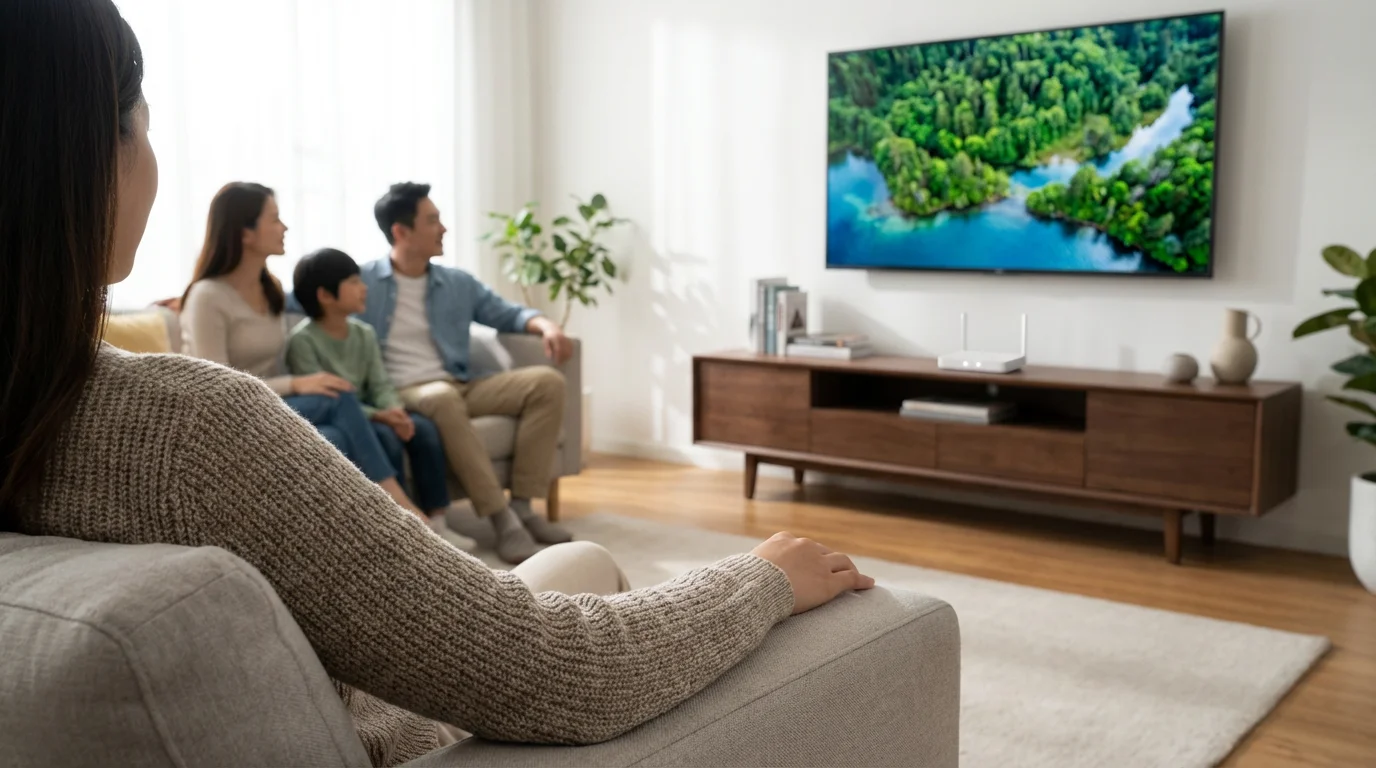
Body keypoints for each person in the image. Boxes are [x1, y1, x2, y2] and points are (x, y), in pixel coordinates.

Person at [0, 1, 875, 766]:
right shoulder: (187, 433)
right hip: (406, 727)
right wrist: (760, 578)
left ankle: (510, 513)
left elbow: (496, 311)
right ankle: (495, 522)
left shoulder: (65, 422)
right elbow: (555, 671)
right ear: (88, 153)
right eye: (146, 126)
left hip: (367, 630)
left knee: (533, 447)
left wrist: (535, 327)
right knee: (587, 564)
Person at [179, 182, 432, 521]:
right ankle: (401, 507)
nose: (284, 228)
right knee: (337, 395)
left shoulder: (271, 291)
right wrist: (296, 384)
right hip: (233, 414)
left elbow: (321, 292)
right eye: (275, 219)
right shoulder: (207, 297)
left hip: (273, 406)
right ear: (245, 233)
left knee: (333, 435)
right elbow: (216, 386)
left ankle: (363, 527)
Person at [359, 182, 571, 564]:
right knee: (440, 396)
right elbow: (304, 299)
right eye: (433, 220)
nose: (443, 228)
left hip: (459, 383)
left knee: (546, 382)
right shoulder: (361, 283)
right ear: (401, 232)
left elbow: (507, 313)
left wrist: (546, 326)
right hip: (404, 390)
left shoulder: (456, 283)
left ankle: (523, 505)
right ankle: (502, 520)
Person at [287, 247, 474, 550]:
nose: (365, 288)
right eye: (353, 282)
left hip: (375, 411)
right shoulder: (302, 341)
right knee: (387, 436)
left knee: (422, 429)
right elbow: (327, 397)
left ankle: (438, 518)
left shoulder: (364, 333)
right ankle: (395, 522)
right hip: (356, 418)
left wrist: (394, 409)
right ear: (325, 295)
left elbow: (381, 382)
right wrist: (379, 415)